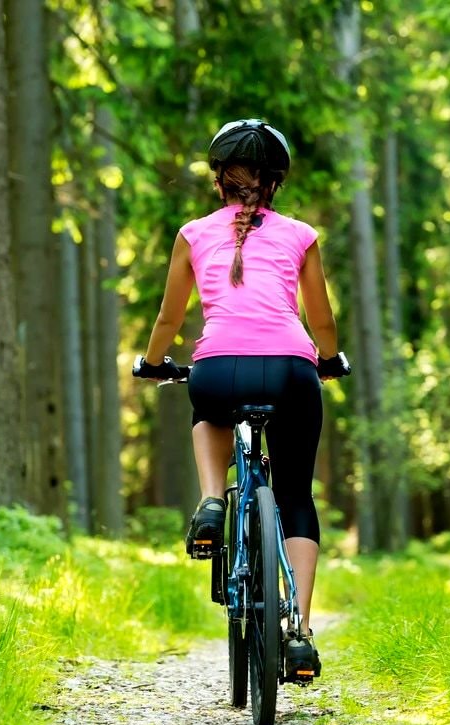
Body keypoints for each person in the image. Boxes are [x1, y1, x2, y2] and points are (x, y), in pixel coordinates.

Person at [134, 118, 349, 677]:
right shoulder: (300, 235)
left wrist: (152, 363)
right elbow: (321, 320)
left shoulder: (192, 234)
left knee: (208, 413)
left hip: (218, 370)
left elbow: (169, 318)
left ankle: (212, 500)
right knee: (296, 495)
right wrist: (328, 360)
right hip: (290, 371)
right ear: (275, 182)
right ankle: (299, 632)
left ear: (218, 180)